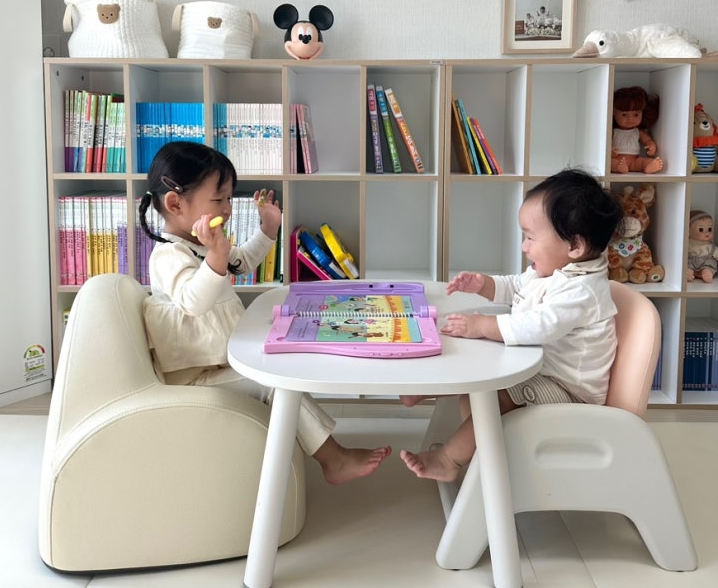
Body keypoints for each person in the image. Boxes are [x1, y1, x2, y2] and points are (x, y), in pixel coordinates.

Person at [140, 141, 391, 484]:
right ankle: (334, 460)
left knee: (283, 359)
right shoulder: (168, 256)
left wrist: (268, 229)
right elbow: (192, 300)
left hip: (220, 362)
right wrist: (215, 256)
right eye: (218, 199)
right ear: (175, 203)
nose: (227, 209)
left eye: (229, 198)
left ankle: (314, 440)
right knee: (274, 384)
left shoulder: (200, 244)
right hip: (193, 378)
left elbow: (241, 262)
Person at [400, 168, 622, 482]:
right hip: (542, 370)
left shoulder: (582, 291)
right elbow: (518, 286)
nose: (523, 246)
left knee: (496, 396)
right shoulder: (555, 271)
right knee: (478, 369)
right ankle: (426, 391)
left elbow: (538, 326)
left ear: (575, 246)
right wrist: (484, 284)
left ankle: (449, 460)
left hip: (569, 392)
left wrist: (482, 325)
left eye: (530, 237)